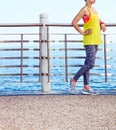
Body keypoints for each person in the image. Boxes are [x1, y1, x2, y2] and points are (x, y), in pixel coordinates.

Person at [70, 0, 106, 95]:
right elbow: (74, 22)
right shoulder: (84, 10)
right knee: (90, 64)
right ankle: (74, 79)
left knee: (87, 63)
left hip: (96, 39)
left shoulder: (93, 9)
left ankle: (86, 87)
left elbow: (97, 20)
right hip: (89, 40)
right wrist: (82, 32)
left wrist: (102, 23)